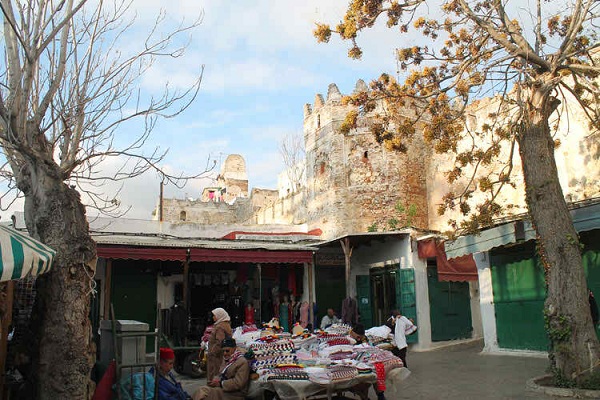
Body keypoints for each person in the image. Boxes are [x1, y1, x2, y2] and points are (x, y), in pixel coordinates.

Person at [207, 308, 233, 381]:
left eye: (215, 315)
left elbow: (219, 341)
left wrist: (212, 352)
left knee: (214, 374)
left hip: (216, 357)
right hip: (220, 355)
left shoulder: (220, 327)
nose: (213, 317)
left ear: (220, 316)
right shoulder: (225, 324)